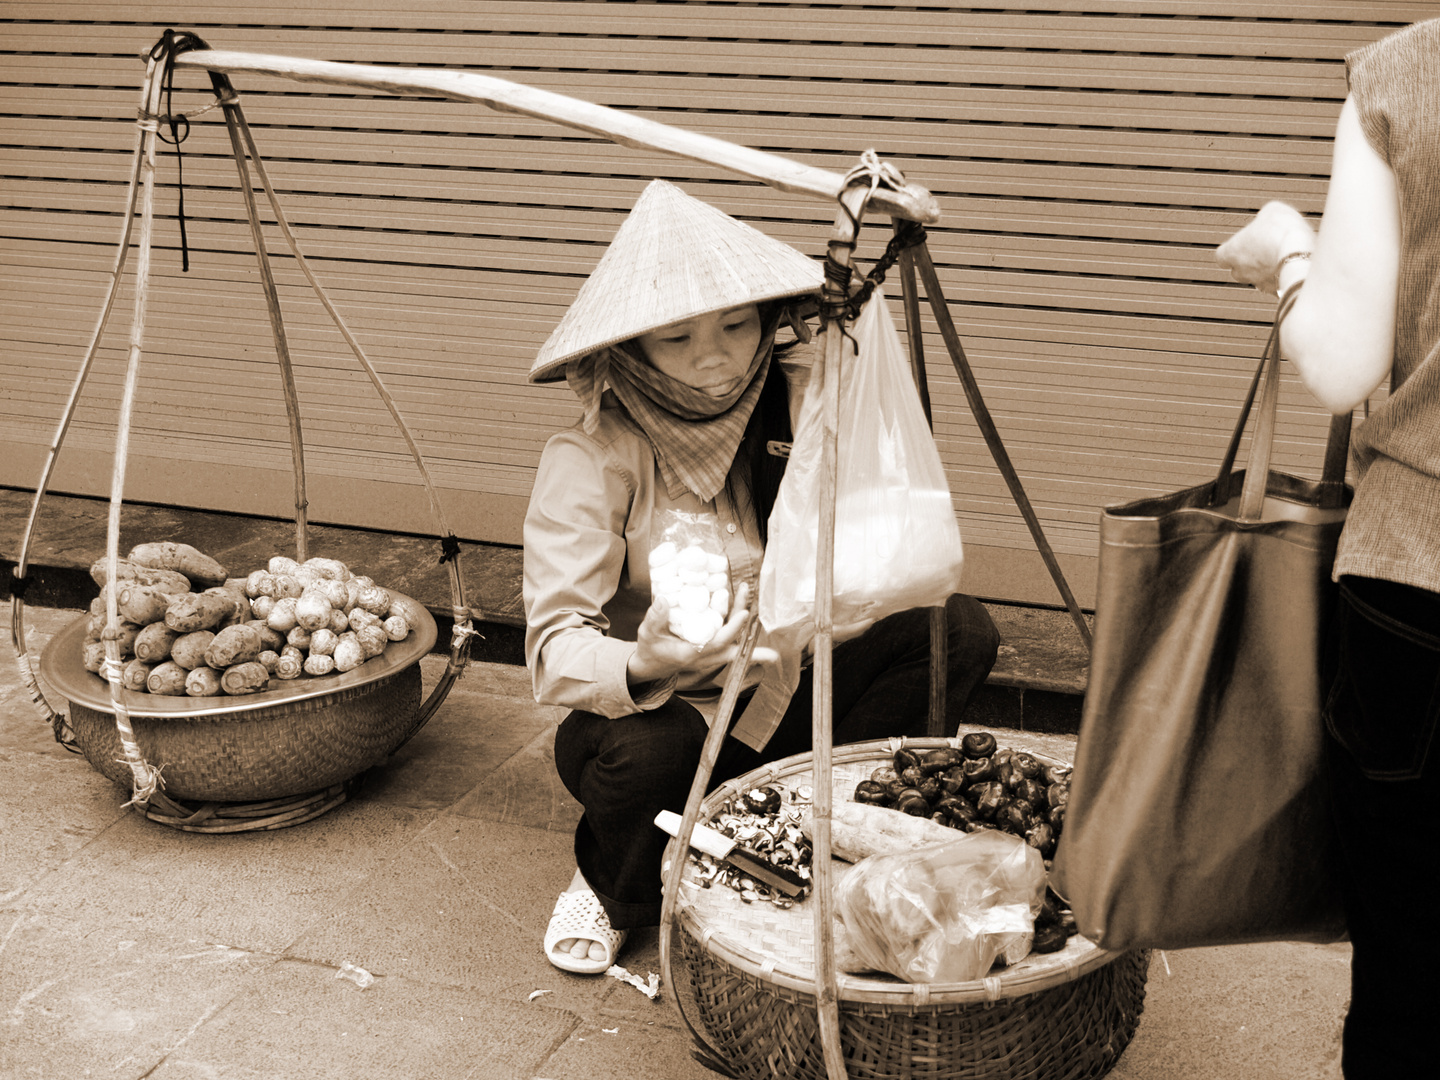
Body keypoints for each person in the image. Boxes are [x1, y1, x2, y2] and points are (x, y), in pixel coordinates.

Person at [523, 179, 999, 974]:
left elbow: (872, 532)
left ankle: (814, 821)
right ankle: (610, 881)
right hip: (673, 714)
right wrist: (644, 662)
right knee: (647, 759)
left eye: (737, 324)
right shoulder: (594, 455)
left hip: (788, 691)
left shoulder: (803, 401)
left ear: (769, 322)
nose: (713, 357)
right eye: (674, 339)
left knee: (957, 631)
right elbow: (551, 646)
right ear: (629, 351)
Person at [1216, 19, 1439, 1079]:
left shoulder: (1408, 72)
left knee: (1409, 969)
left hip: (1420, 579)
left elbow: (1345, 362)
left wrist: (1289, 254)